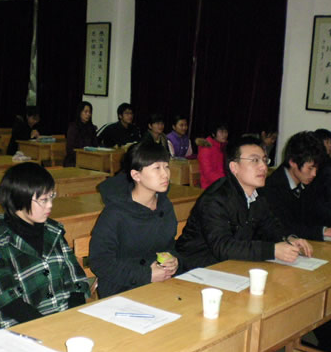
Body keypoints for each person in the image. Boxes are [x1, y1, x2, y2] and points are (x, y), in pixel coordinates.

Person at [176, 136, 313, 352]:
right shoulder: (216, 198)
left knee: (272, 298)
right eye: (254, 160)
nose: (263, 166)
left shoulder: (255, 195)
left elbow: (270, 225)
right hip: (197, 270)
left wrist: (289, 238)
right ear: (234, 167)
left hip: (230, 267)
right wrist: (272, 250)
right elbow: (222, 246)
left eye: (264, 160)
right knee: (233, 312)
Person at [261, 131, 331, 352]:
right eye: (310, 168)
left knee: (325, 278)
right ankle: (329, 346)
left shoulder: (303, 183)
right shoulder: (274, 187)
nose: (314, 174)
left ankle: (328, 343)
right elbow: (282, 226)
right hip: (272, 254)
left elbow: (314, 215)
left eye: (316, 168)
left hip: (294, 251)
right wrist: (324, 231)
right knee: (314, 284)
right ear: (293, 162)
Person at [0, 163, 90, 328]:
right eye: (43, 200)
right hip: (22, 326)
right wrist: (48, 327)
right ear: (19, 199)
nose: (50, 205)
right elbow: (7, 300)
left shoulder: (53, 230)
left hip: (64, 317)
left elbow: (76, 279)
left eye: (51, 196)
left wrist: (72, 317)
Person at [89, 142, 180, 298]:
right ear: (136, 175)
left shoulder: (165, 205)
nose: (165, 174)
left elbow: (169, 245)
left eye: (166, 166)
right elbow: (100, 262)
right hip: (121, 289)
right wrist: (146, 275)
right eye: (156, 168)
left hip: (159, 284)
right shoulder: (115, 212)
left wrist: (173, 260)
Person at [64, 101, 98, 167]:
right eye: (85, 112)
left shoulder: (92, 128)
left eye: (90, 112)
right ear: (80, 112)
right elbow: (70, 149)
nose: (88, 114)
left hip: (89, 159)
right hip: (74, 160)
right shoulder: (73, 127)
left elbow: (95, 145)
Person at [197, 122, 228, 189]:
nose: (224, 135)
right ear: (213, 134)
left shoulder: (221, 147)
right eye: (221, 132)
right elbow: (208, 173)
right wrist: (225, 182)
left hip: (220, 183)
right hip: (209, 186)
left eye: (225, 132)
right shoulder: (206, 149)